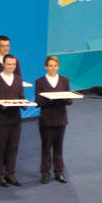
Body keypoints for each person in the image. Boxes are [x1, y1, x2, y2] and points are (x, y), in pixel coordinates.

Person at [0, 54, 25, 186]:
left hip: (15, 119)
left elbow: (21, 96)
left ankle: (11, 174)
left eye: (13, 64)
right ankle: (0, 176)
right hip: (1, 120)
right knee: (0, 148)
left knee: (13, 148)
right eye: (9, 64)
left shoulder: (18, 80)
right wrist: (3, 105)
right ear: (3, 64)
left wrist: (25, 104)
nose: (11, 67)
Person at [35, 55, 72, 184]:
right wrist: (52, 99)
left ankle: (59, 172)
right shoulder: (40, 82)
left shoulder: (64, 80)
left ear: (58, 67)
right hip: (46, 120)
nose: (52, 68)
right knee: (46, 147)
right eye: (50, 65)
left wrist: (62, 98)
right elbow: (38, 101)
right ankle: (45, 173)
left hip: (61, 119)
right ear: (46, 67)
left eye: (55, 66)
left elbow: (69, 100)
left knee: (58, 147)